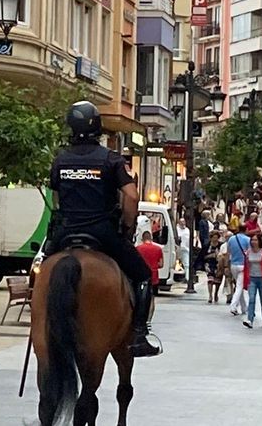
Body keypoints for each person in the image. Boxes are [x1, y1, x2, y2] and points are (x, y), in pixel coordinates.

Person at [44, 101, 158, 357]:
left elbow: (55, 199)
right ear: (97, 127)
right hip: (102, 233)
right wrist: (127, 226)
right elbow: (130, 196)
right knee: (142, 276)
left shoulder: (60, 160)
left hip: (66, 231)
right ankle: (139, 334)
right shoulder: (110, 159)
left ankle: (39, 321)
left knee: (41, 272)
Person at [226, 224, 251, 317]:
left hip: (233, 265)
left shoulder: (232, 239)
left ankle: (244, 307)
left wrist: (227, 266)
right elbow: (249, 253)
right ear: (246, 230)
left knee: (238, 286)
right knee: (239, 287)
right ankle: (233, 306)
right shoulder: (248, 240)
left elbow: (228, 253)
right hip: (243, 265)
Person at [204, 232, 223, 304]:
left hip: (218, 264)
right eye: (213, 237)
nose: (215, 239)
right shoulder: (207, 246)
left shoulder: (221, 245)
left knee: (218, 280)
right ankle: (210, 295)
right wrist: (211, 255)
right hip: (209, 264)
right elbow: (203, 256)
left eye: (216, 237)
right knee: (210, 279)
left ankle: (216, 293)